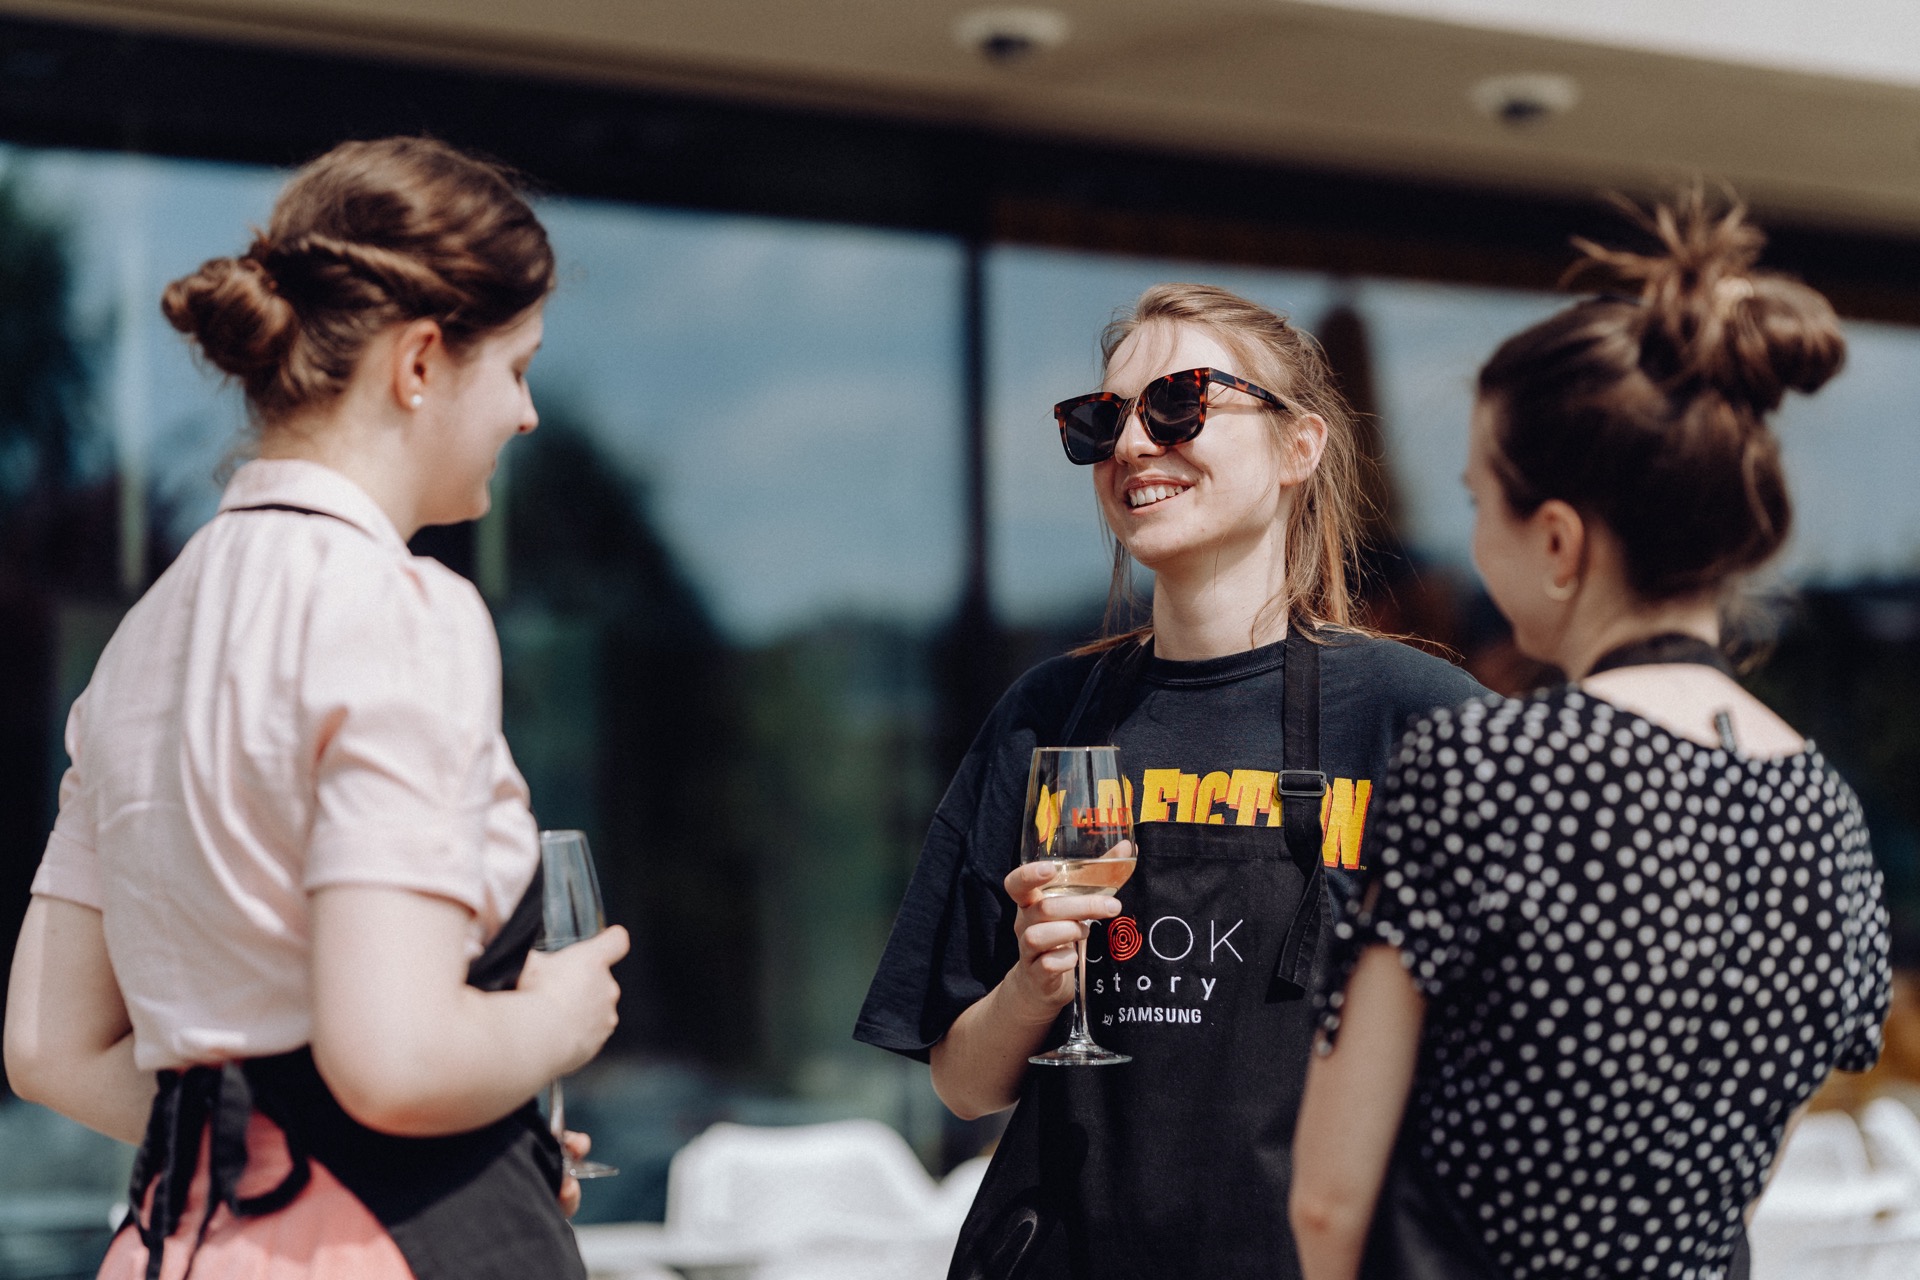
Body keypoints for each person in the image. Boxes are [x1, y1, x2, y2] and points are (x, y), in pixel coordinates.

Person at [3, 136, 629, 1280]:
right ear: (423, 362)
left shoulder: (141, 643)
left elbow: (48, 1045)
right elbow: (390, 1060)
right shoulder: (403, 610)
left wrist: (462, 1118)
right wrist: (557, 1015)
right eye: (519, 367)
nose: (528, 414)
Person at [1290, 192, 1893, 1280]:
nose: (1472, 543)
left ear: (1559, 540)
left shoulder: (1480, 769)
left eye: (1483, 503)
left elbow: (1330, 1200)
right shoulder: (1826, 814)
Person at [856, 283, 1488, 1279]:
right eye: (1102, 420)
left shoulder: (1420, 719)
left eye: (1181, 402)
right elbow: (964, 1083)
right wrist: (1032, 982)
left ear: (1300, 447)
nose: (1134, 444)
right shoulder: (1045, 715)